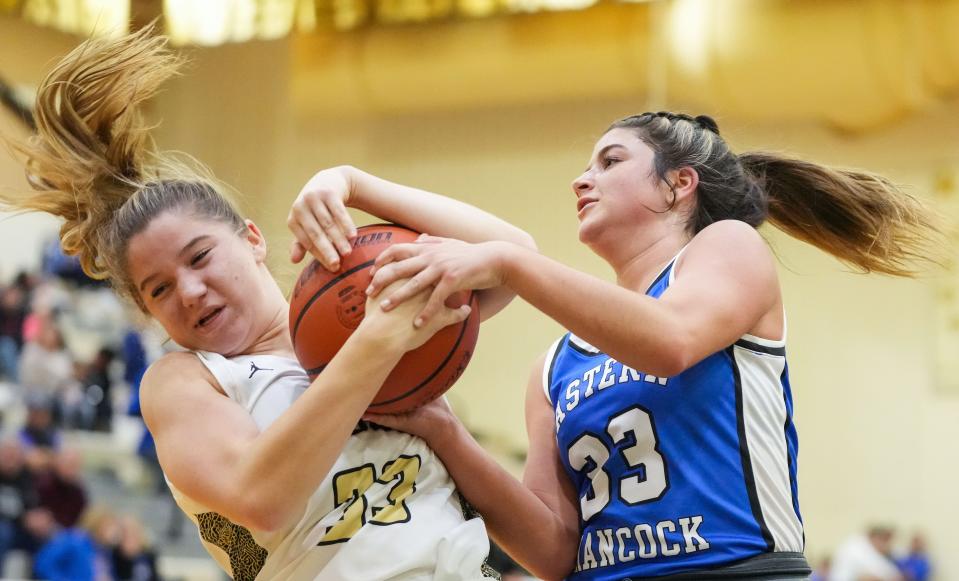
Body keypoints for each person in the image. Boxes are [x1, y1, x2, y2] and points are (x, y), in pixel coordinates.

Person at [2, 26, 535, 580]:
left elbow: (514, 261)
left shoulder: (350, 308)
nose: (188, 290)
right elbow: (260, 497)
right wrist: (377, 343)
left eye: (200, 256)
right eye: (158, 289)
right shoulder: (185, 380)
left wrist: (354, 183)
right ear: (146, 310)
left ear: (253, 239)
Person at [350, 112, 942, 580]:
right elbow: (554, 552)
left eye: (610, 161)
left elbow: (672, 340)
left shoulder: (726, 247)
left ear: (680, 184)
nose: (582, 179)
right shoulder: (552, 368)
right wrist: (442, 429)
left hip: (732, 574)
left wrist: (508, 260)